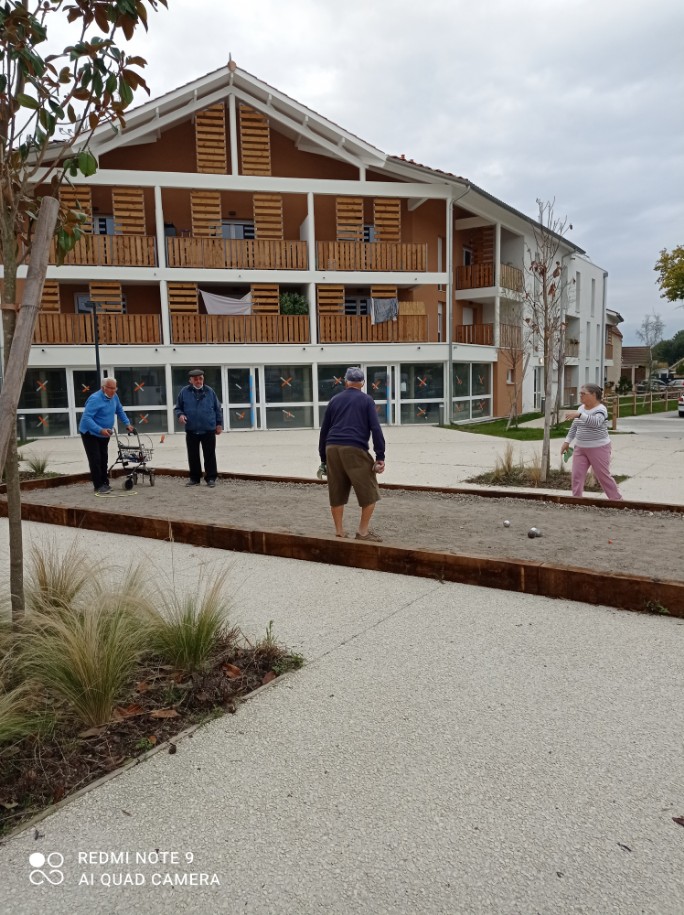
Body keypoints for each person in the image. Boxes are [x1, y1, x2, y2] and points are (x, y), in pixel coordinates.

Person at [318, 366, 386, 541]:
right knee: (370, 491)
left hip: (332, 447)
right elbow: (375, 428)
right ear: (362, 383)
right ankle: (362, 532)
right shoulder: (367, 400)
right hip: (354, 448)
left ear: (346, 381)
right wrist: (380, 456)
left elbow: (324, 431)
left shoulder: (334, 400)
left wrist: (323, 459)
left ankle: (339, 531)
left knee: (337, 491)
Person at [561, 383, 622, 500]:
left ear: (593, 395)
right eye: (580, 393)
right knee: (576, 476)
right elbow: (575, 426)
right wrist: (567, 441)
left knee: (603, 477)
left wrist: (579, 415)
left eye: (583, 394)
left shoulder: (601, 409)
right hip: (580, 448)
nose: (580, 396)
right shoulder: (581, 408)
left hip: (599, 448)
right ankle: (576, 500)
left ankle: (617, 501)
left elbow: (596, 422)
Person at [78, 376, 134, 494]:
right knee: (95, 459)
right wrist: (99, 430)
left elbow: (119, 410)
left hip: (105, 434)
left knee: (104, 458)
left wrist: (127, 423)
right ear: (103, 388)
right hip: (90, 433)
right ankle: (98, 485)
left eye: (115, 388)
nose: (114, 391)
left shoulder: (114, 397)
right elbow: (86, 418)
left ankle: (105, 482)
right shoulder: (95, 399)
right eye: (111, 388)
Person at [174, 369, 223, 487]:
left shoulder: (210, 391)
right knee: (193, 455)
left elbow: (217, 408)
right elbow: (178, 408)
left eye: (201, 378)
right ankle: (195, 478)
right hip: (191, 429)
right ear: (190, 380)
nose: (199, 381)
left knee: (210, 454)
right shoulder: (184, 392)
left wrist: (219, 424)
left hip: (208, 429)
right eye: (195, 379)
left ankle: (211, 478)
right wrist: (180, 415)